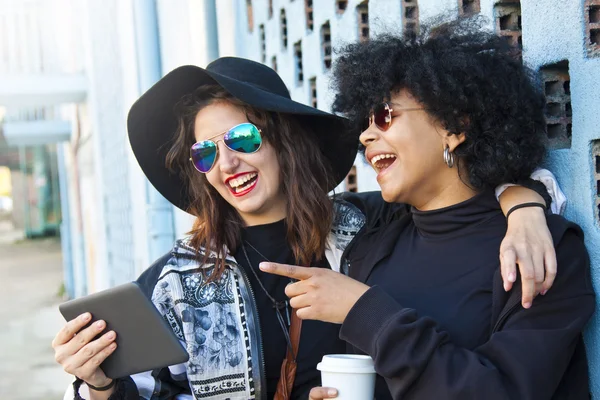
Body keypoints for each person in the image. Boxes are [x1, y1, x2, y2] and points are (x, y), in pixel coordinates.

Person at [52, 57, 564, 400]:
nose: (227, 162)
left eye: (243, 137)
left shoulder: (371, 227)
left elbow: (458, 190)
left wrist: (523, 203)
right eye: (206, 152)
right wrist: (97, 383)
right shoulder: (174, 284)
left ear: (284, 141)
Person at [260, 18, 595, 400]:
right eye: (365, 122)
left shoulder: (540, 251)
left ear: (454, 125)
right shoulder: (373, 242)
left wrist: (367, 311)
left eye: (385, 114)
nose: (367, 135)